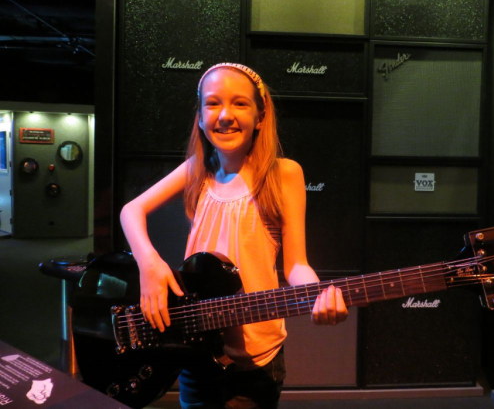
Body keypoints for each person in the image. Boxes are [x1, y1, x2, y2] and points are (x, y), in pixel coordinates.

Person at [120, 63, 348, 409]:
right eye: (213, 104)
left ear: (260, 115)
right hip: (196, 348)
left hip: (255, 359)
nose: (225, 114)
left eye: (239, 103)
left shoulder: (283, 174)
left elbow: (297, 264)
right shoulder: (198, 168)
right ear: (200, 117)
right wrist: (149, 264)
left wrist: (317, 294)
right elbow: (130, 210)